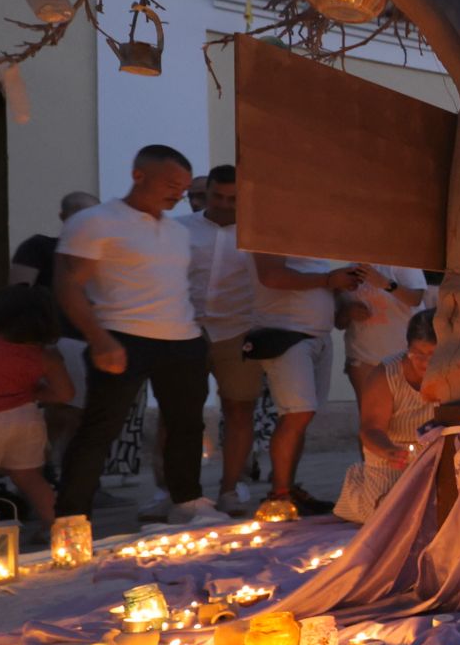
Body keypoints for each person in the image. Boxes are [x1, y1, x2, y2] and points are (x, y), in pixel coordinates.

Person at [53, 145, 225, 525]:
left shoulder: (177, 231)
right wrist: (99, 339)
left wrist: (199, 336)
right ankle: (71, 517)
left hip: (182, 338)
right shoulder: (96, 221)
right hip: (122, 334)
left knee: (186, 423)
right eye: (170, 183)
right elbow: (67, 285)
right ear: (138, 176)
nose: (178, 193)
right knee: (101, 427)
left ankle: (186, 499)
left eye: (183, 187)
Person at [250, 246, 365, 515]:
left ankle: (287, 490)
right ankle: (278, 496)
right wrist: (328, 281)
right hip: (286, 334)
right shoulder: (268, 228)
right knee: (296, 413)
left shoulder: (309, 238)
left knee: (302, 414)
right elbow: (270, 276)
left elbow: (320, 282)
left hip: (319, 335)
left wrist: (342, 302)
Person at [183, 166, 264, 516]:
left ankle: (229, 489)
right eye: (217, 196)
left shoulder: (259, 233)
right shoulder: (179, 230)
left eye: (233, 199)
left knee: (239, 409)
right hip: (186, 330)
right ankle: (175, 491)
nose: (224, 204)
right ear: (206, 193)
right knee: (181, 413)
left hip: (239, 330)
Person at [11, 191, 97, 466]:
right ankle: (47, 471)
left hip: (93, 342)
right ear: (63, 217)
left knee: (84, 415)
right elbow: (18, 292)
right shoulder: (39, 247)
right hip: (56, 339)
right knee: (61, 410)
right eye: (79, 214)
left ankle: (69, 475)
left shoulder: (106, 255)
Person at [0, 286, 73, 531]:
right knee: (30, 478)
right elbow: (65, 393)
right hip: (25, 418)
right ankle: (60, 531)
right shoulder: (45, 354)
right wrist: (35, 392)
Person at [334, 310, 437, 523]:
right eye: (418, 354)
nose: (425, 363)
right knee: (389, 516)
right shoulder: (386, 374)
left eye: (433, 355)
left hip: (436, 457)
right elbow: (371, 428)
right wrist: (388, 451)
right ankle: (359, 486)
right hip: (392, 459)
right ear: (407, 348)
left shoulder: (455, 370)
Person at [340, 258, 426, 394]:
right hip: (362, 359)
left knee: (408, 413)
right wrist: (348, 312)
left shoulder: (402, 261)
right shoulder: (348, 270)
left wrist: (385, 283)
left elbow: (415, 298)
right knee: (371, 414)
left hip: (403, 357)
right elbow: (338, 322)